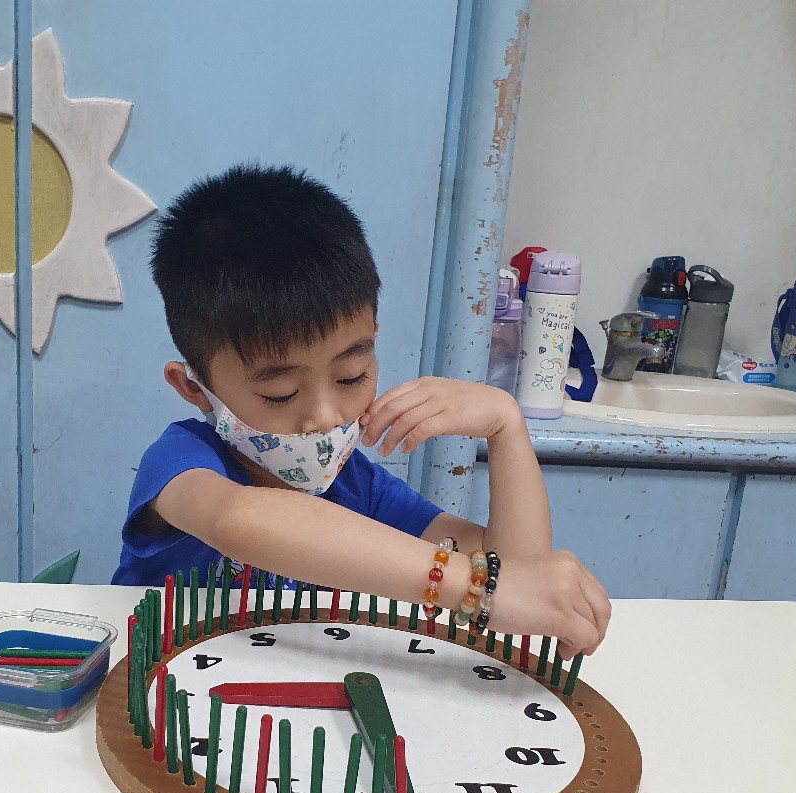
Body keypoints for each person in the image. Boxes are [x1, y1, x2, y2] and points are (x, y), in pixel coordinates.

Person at [112, 163, 609, 657]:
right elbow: (236, 520)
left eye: (351, 377)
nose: (326, 416)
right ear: (194, 388)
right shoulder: (179, 462)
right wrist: (474, 588)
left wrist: (506, 426)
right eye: (281, 393)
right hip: (158, 685)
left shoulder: (359, 488)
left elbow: (521, 582)